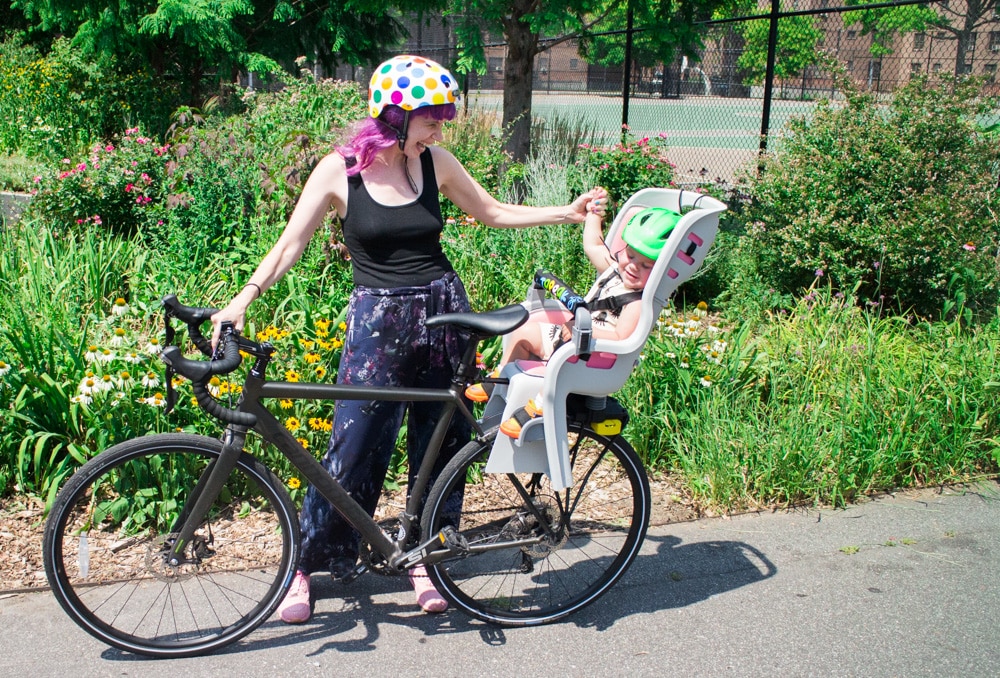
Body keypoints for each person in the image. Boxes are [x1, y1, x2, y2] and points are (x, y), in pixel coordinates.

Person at [209, 55, 601, 623]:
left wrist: (563, 213)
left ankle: (427, 555)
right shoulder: (338, 171)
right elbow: (289, 245)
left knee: (441, 444)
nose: (442, 125)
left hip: (445, 311)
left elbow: (489, 210)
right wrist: (243, 299)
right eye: (433, 115)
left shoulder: (435, 162)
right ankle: (308, 564)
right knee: (355, 441)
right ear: (394, 115)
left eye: (443, 115)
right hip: (379, 320)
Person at [464, 195, 683, 438]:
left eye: (646, 266)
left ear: (662, 271)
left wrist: (585, 331)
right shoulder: (613, 271)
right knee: (523, 331)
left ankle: (539, 408)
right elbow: (593, 245)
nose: (633, 267)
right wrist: (594, 214)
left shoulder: (638, 302)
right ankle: (502, 375)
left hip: (592, 354)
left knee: (561, 358)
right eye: (631, 257)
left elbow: (622, 336)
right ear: (624, 250)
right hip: (571, 336)